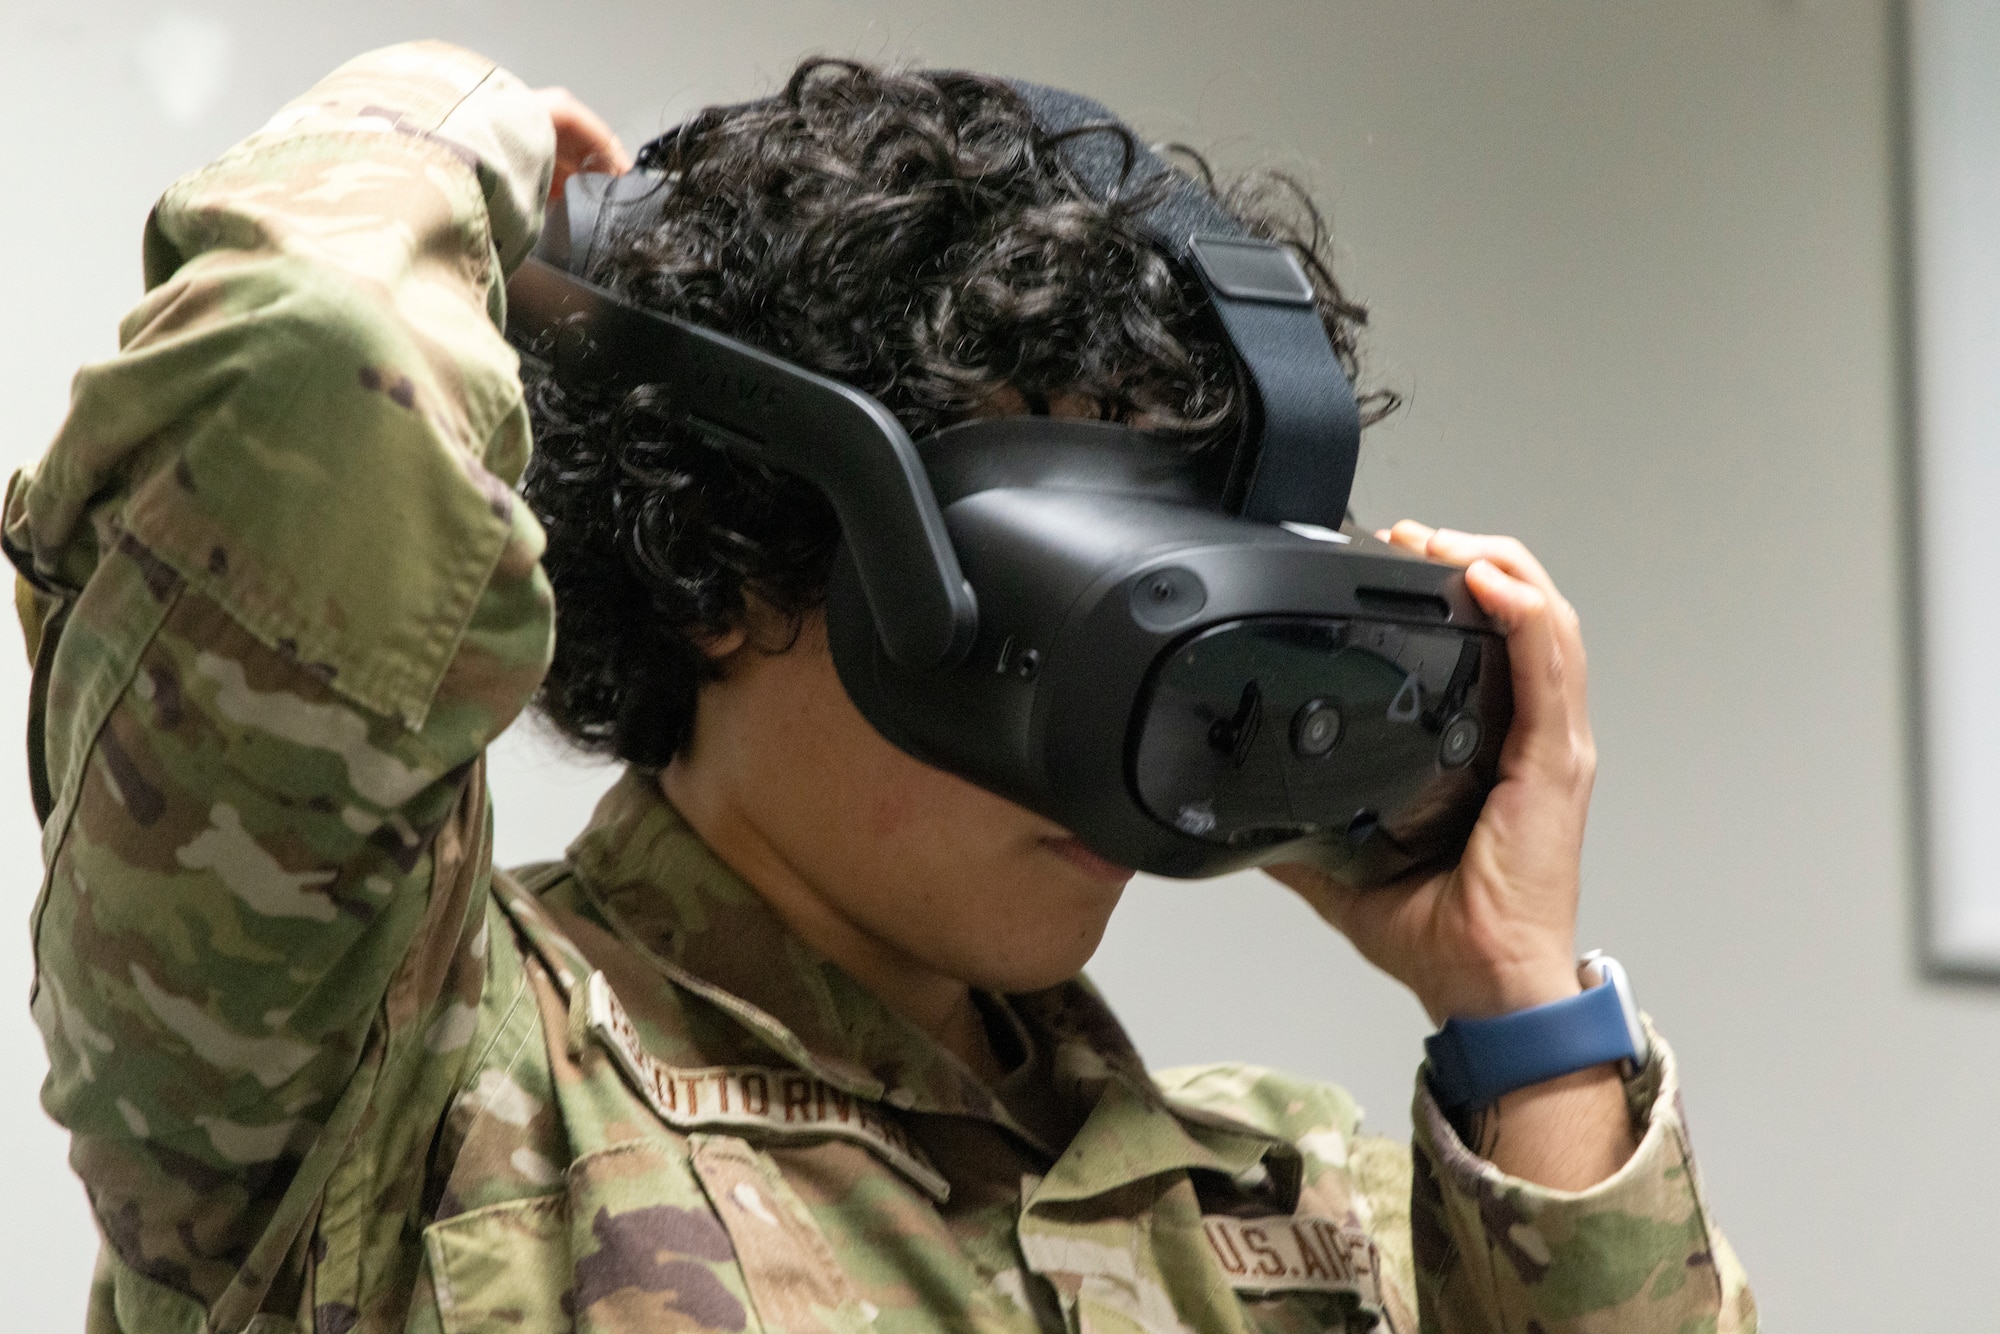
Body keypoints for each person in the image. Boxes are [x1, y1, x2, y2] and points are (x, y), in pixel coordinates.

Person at [9, 40, 1755, 1334]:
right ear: (731, 557)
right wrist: (446, 136)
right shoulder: (383, 1075)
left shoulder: (1294, 1209)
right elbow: (307, 374)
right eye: (1083, 586)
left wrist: (1520, 1002)